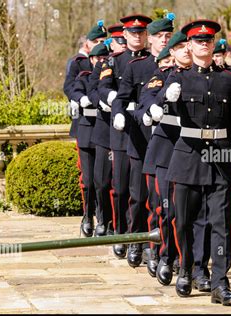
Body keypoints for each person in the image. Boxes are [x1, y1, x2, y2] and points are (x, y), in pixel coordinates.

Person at [160, 19, 231, 305]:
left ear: (214, 44)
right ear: (190, 45)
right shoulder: (178, 78)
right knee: (183, 220)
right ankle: (186, 268)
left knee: (221, 224)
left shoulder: (230, 78)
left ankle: (220, 283)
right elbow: (161, 104)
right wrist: (167, 98)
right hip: (188, 155)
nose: (203, 44)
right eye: (198, 40)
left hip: (219, 157)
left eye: (208, 40)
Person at [113, 12, 174, 270]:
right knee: (138, 197)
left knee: (163, 200)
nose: (164, 41)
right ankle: (137, 240)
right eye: (159, 36)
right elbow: (122, 97)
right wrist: (118, 113)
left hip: (170, 140)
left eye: (168, 36)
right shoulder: (137, 66)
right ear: (150, 40)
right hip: (140, 136)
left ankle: (159, 248)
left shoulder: (180, 65)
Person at [136, 31, 190, 286]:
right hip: (167, 147)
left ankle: (187, 259)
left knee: (188, 211)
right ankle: (164, 255)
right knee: (164, 209)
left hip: (192, 147)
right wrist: (155, 106)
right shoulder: (163, 77)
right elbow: (146, 99)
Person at [98, 14, 152, 259]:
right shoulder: (114, 60)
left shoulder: (154, 61)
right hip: (122, 129)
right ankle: (120, 232)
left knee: (141, 190)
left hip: (145, 128)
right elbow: (103, 86)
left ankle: (139, 238)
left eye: (141, 33)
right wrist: (114, 102)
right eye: (133, 33)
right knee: (120, 188)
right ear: (125, 35)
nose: (137, 36)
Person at [91, 24, 127, 237]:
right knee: (102, 181)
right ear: (111, 44)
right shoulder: (105, 64)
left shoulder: (136, 63)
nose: (121, 46)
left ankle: (119, 225)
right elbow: (93, 89)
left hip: (128, 129)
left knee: (123, 184)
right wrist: (103, 102)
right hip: (106, 128)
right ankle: (103, 218)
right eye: (118, 42)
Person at [70, 42, 110, 237]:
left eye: (105, 59)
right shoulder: (84, 77)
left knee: (103, 180)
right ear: (92, 60)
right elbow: (75, 90)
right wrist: (80, 99)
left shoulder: (109, 78)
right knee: (88, 180)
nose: (101, 62)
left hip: (104, 131)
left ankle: (104, 217)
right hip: (87, 130)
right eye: (98, 59)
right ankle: (88, 216)